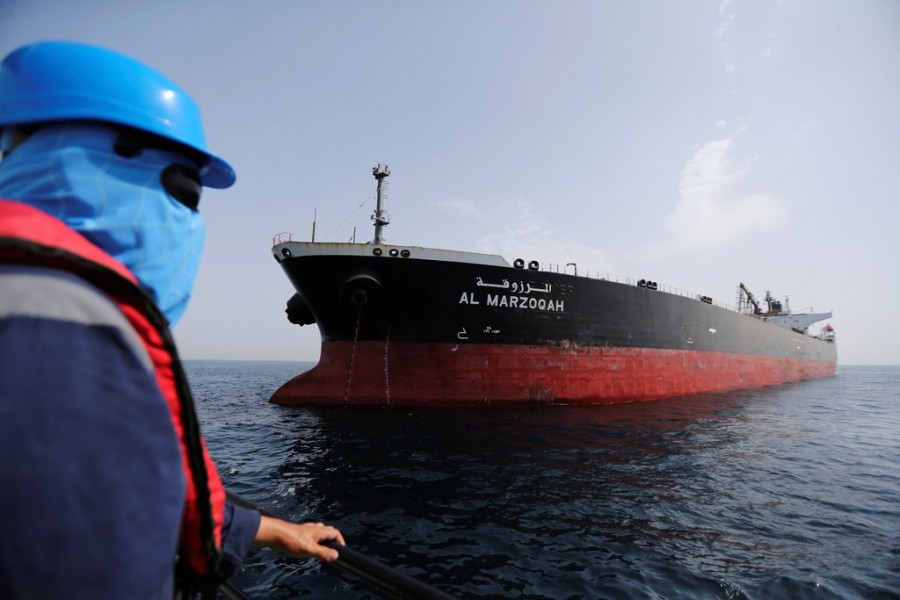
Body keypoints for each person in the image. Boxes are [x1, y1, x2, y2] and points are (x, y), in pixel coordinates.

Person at [0, 41, 345, 599]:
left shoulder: (55, 300)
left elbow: (148, 485)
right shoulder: (61, 320)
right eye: (186, 191)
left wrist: (270, 528)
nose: (188, 220)